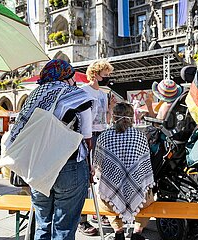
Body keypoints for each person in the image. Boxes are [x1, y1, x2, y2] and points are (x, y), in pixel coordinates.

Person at [5, 59, 94, 239]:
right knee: (64, 227)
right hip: (69, 166)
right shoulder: (78, 95)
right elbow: (87, 137)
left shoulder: (33, 96)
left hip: (37, 167)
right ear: (67, 77)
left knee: (42, 223)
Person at [93, 102, 155, 240]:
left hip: (109, 202)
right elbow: (146, 170)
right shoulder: (140, 136)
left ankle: (118, 231)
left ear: (113, 117)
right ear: (132, 117)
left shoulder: (103, 137)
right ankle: (137, 232)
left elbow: (96, 167)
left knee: (104, 192)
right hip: (140, 201)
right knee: (148, 198)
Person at [79, 59, 115, 235]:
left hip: (101, 134)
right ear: (95, 74)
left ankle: (98, 212)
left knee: (101, 176)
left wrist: (111, 108)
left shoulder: (103, 94)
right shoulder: (83, 91)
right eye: (105, 75)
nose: (108, 78)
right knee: (87, 176)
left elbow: (105, 120)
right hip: (87, 135)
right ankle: (82, 219)